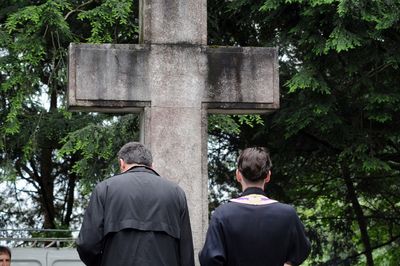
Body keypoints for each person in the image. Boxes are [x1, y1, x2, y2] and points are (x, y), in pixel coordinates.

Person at [76, 142, 194, 266]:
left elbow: (87, 244)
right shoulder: (176, 193)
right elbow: (186, 252)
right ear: (152, 166)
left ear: (121, 163)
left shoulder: (105, 189)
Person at [199, 147, 311, 266]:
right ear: (268, 176)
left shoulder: (222, 214)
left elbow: (209, 260)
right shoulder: (288, 214)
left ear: (238, 175)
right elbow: (302, 250)